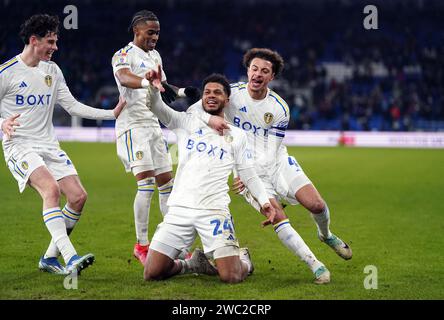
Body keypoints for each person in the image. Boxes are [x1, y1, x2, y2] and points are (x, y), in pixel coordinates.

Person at [188, 48, 351, 284]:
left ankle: (325, 235)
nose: (258, 74)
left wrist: (250, 173)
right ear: (248, 71)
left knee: (317, 204)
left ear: (271, 77)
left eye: (264, 71)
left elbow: (272, 150)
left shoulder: (279, 108)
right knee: (278, 216)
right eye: (254, 68)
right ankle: (315, 265)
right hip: (246, 170)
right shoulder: (230, 93)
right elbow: (194, 111)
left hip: (276, 162)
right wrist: (211, 119)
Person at [0, 14, 126, 275]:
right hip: (19, 145)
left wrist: (110, 115)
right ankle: (70, 258)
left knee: (78, 197)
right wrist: (2, 123)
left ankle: (48, 258)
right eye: (51, 41)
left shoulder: (52, 71)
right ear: (34, 41)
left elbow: (72, 106)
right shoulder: (7, 73)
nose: (55, 47)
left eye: (56, 41)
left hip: (49, 145)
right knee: (51, 190)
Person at [142, 69, 277, 283]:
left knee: (231, 276)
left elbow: (247, 173)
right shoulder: (186, 122)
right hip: (180, 210)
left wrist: (264, 201)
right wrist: (153, 87)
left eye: (217, 92)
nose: (211, 95)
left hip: (214, 211)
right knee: (152, 273)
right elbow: (155, 106)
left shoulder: (238, 136)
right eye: (207, 92)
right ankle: (191, 264)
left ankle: (244, 260)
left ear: (227, 99)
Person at [111, 10, 199, 264]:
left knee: (166, 185)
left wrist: (182, 91)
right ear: (136, 30)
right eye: (151, 32)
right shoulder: (123, 55)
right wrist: (147, 83)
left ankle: (174, 243)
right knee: (146, 184)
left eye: (158, 33)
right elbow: (125, 78)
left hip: (152, 125)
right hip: (132, 126)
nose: (155, 37)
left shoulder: (155, 56)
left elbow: (162, 86)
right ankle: (142, 245)